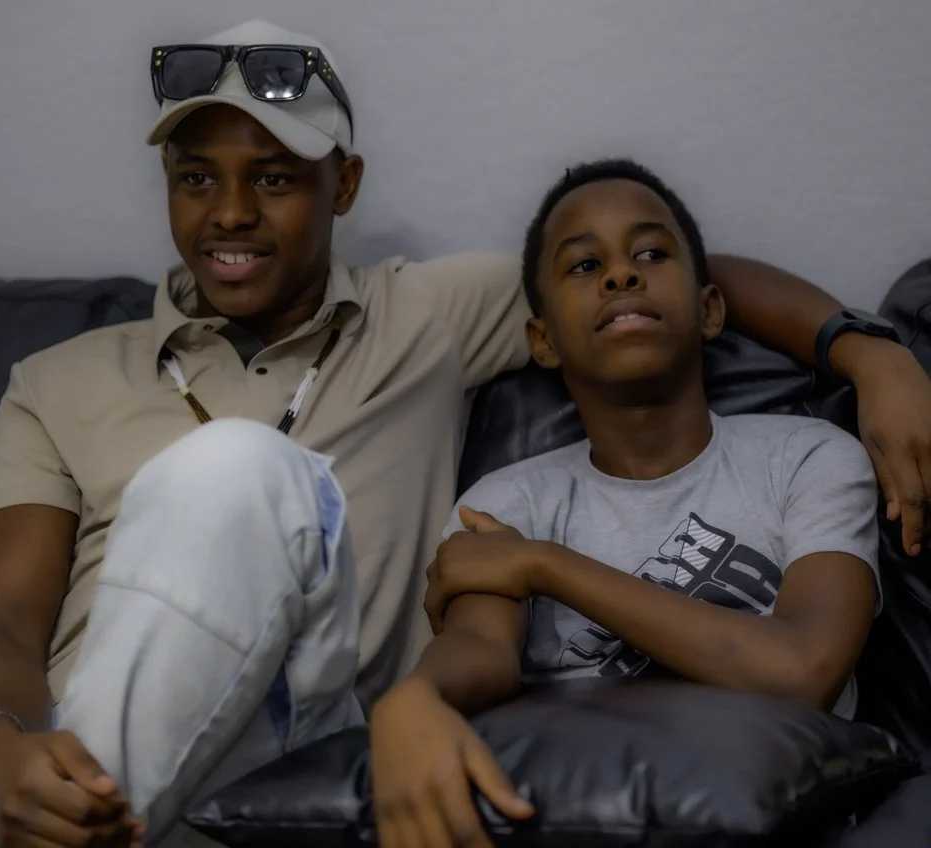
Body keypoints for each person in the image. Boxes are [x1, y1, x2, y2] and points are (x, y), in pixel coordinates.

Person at [0, 16, 928, 848]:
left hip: (293, 749)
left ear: (344, 187)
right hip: (48, 755)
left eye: (273, 178)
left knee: (237, 467)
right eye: (196, 179)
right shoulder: (53, 380)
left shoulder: (426, 316)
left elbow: (665, 277)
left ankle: (90, 808)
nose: (229, 213)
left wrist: (869, 351)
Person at [369, 159, 882, 848]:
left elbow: (802, 672)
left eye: (650, 254)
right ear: (544, 341)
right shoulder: (508, 500)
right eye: (585, 265)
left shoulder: (807, 458)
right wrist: (418, 696)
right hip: (571, 816)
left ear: (710, 309)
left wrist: (545, 565)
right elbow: (479, 649)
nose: (620, 275)